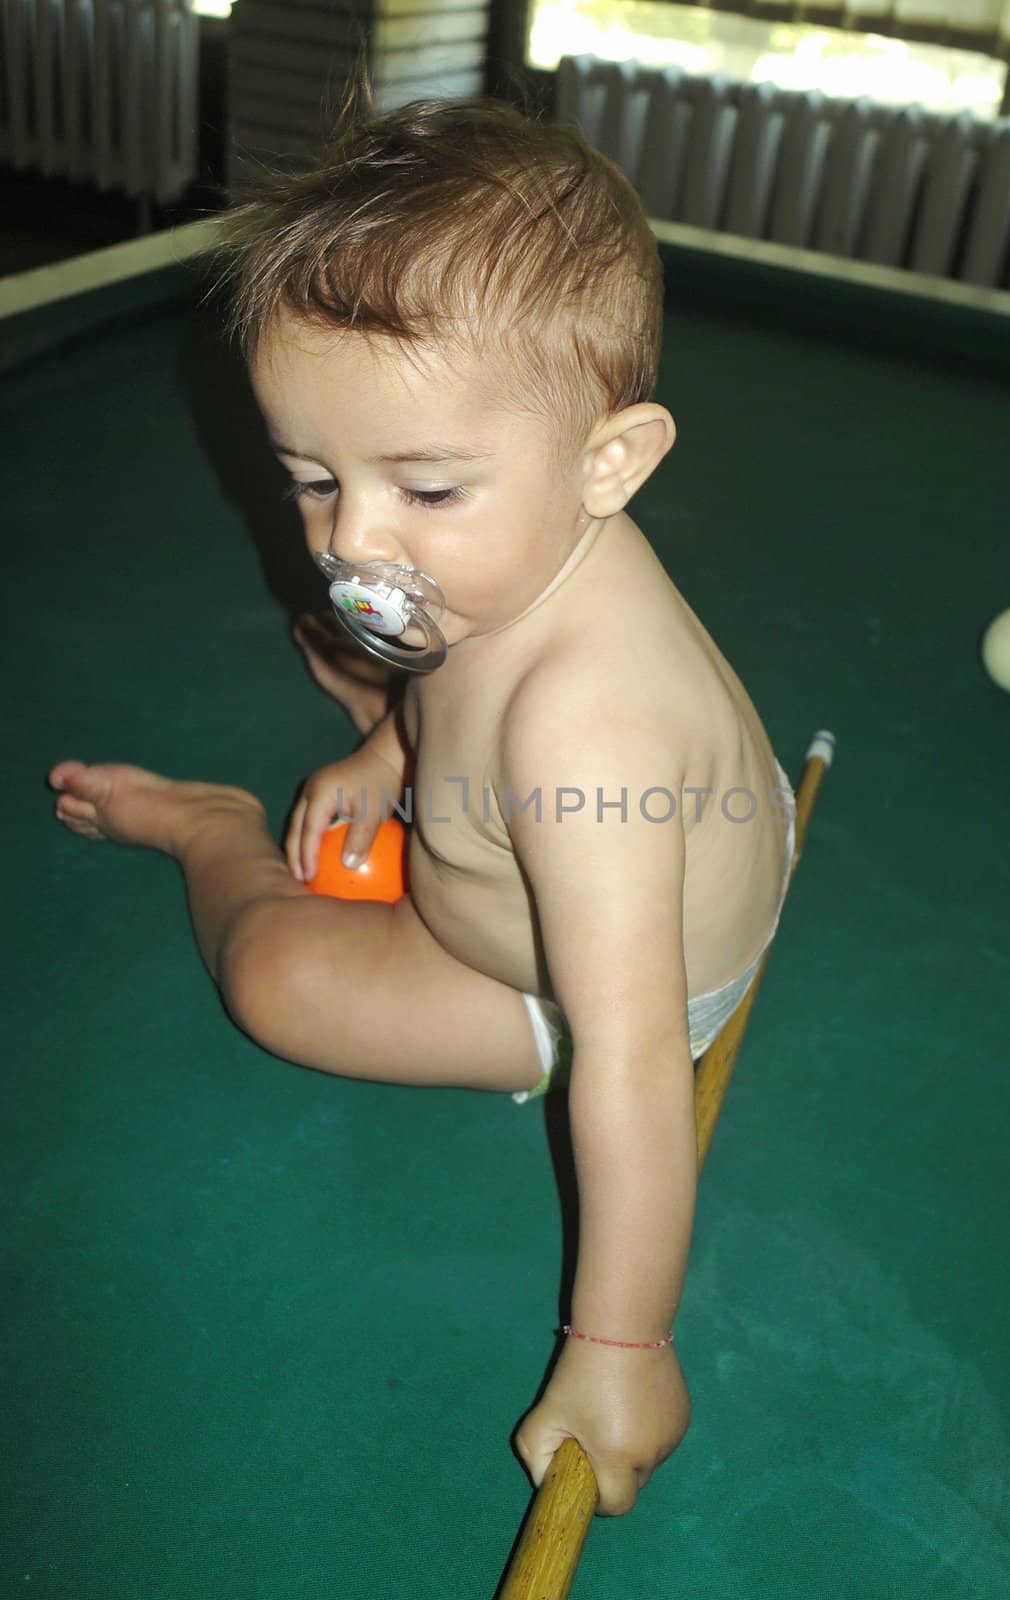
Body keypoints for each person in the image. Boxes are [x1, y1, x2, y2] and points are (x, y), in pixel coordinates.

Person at [49, 97, 795, 1517]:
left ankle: (206, 827)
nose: (350, 539)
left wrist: (621, 1344)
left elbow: (628, 1064)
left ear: (610, 458)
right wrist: (394, 751)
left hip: (570, 977)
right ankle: (390, 740)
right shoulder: (514, 553)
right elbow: (457, 667)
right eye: (314, 480)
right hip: (652, 820)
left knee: (278, 979)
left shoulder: (593, 729)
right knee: (360, 642)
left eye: (426, 486)